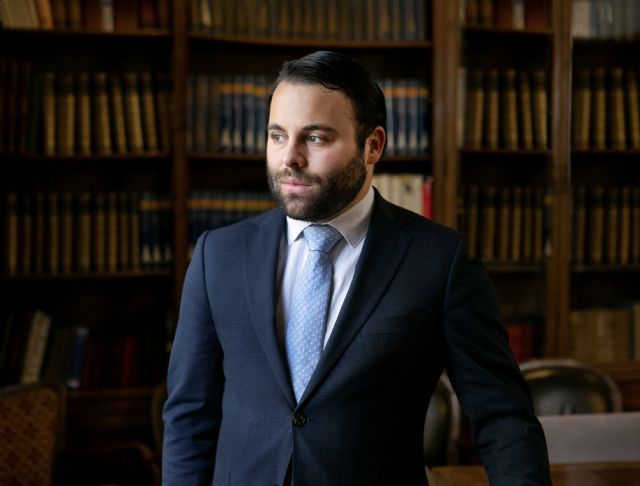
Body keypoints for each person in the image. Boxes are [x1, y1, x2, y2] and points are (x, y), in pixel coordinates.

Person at [162, 50, 551, 485]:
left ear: (373, 146)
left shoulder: (439, 261)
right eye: (277, 135)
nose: (290, 158)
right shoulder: (218, 255)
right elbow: (189, 415)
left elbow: (502, 418)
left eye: (315, 138)